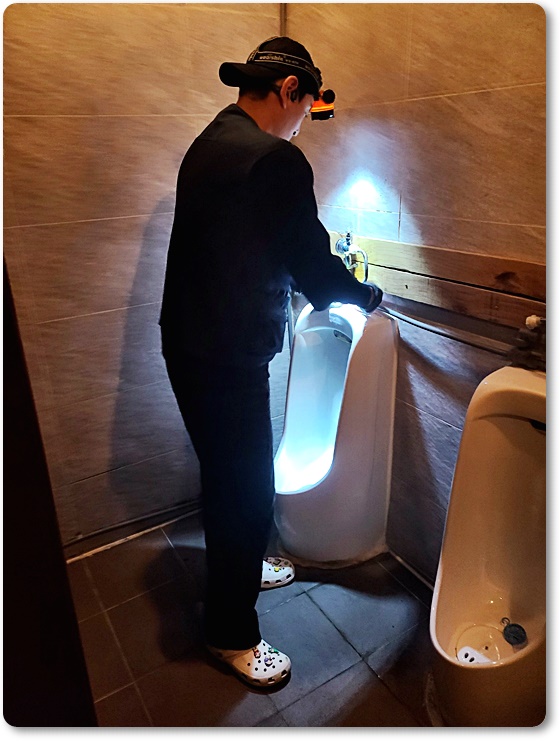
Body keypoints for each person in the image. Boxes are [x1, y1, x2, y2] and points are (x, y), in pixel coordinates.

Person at [159, 36, 383, 688]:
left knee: (229, 478)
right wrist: (366, 294)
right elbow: (312, 264)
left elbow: (245, 241)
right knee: (247, 489)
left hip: (189, 342)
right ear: (289, 91)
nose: (303, 122)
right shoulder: (274, 159)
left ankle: (242, 565)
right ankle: (230, 634)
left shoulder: (211, 140)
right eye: (307, 108)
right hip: (227, 355)